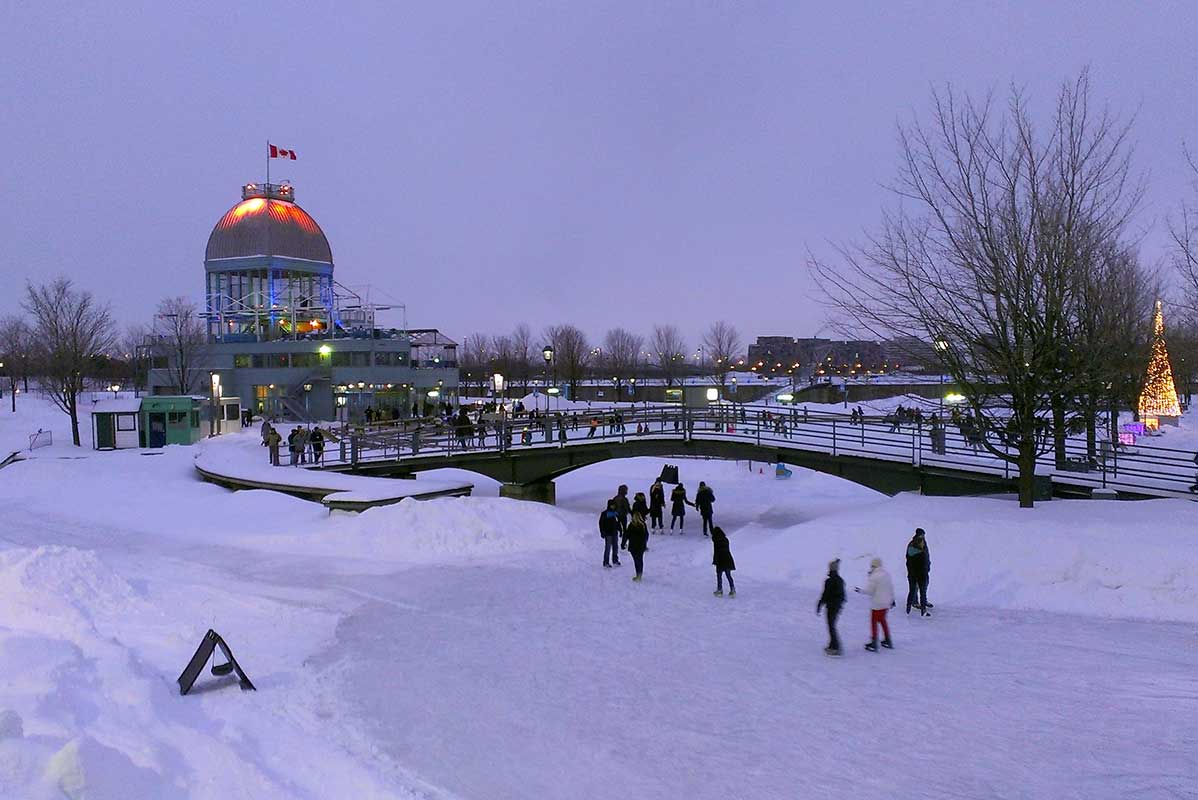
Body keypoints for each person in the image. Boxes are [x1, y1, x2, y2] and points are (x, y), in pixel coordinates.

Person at [855, 557, 896, 652]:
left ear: (873, 566)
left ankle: (874, 642)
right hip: (886, 603)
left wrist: (860, 590)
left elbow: (870, 590)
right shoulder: (886, 574)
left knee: (874, 621)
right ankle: (887, 640)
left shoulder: (874, 576)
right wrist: (892, 599)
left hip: (877, 604)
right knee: (882, 620)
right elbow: (891, 588)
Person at [816, 558, 846, 656]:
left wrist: (820, 604)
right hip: (836, 607)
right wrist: (840, 605)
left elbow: (825, 595)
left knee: (831, 626)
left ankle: (836, 647)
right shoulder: (840, 580)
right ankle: (832, 645)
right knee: (832, 626)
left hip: (831, 607)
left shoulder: (829, 581)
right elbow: (843, 596)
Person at [905, 528, 932, 616]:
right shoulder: (913, 545)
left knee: (924, 587)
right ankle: (914, 602)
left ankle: (921, 602)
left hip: (923, 571)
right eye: (922, 534)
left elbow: (926, 555)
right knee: (915, 589)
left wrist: (928, 565)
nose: (923, 536)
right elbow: (911, 561)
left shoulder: (923, 543)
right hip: (916, 572)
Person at [711, 526, 736, 597]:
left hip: (720, 559)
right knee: (728, 575)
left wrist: (715, 561)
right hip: (728, 558)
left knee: (719, 575)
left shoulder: (716, 541)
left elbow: (716, 551)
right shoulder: (726, 539)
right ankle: (732, 589)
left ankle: (720, 590)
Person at [625, 511, 650, 581]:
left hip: (633, 546)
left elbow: (627, 535)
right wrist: (645, 543)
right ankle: (640, 574)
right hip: (641, 546)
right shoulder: (643, 525)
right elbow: (646, 536)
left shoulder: (631, 525)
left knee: (636, 560)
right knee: (640, 560)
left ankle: (637, 574)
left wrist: (623, 543)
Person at [599, 499, 622, 568]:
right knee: (608, 548)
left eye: (614, 505)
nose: (613, 506)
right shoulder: (604, 513)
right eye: (612, 505)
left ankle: (615, 560)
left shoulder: (615, 513)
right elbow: (601, 523)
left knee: (615, 547)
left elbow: (618, 523)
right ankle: (606, 562)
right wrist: (602, 532)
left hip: (615, 533)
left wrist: (620, 530)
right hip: (608, 533)